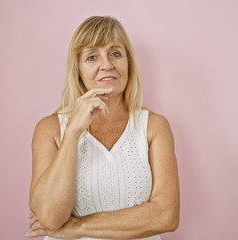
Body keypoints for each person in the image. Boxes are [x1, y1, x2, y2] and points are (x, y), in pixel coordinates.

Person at [26, 16, 180, 240]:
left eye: (116, 53)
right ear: (78, 69)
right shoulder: (50, 129)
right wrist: (72, 133)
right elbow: (50, 217)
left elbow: (166, 216)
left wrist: (77, 227)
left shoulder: (154, 127)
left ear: (128, 62)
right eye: (92, 57)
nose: (107, 65)